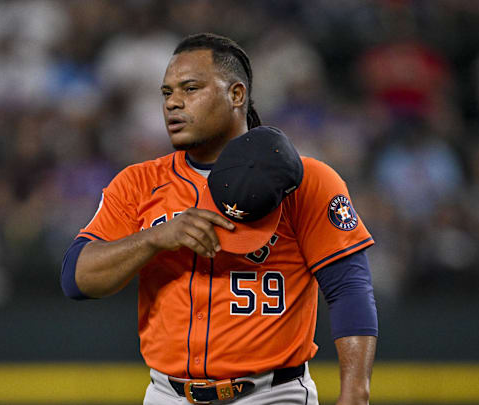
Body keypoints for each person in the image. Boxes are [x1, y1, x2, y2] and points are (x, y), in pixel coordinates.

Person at [61, 33, 378, 405]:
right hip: (167, 393)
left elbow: (348, 287)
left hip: (271, 394)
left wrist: (355, 393)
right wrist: (153, 239)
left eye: (190, 88)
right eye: (166, 93)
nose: (173, 103)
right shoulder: (139, 183)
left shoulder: (305, 181)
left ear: (236, 94)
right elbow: (76, 279)